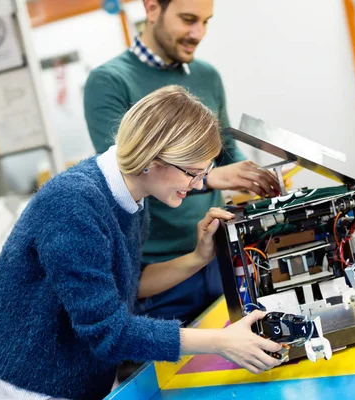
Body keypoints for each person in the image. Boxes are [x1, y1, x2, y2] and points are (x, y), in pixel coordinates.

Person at [0, 86, 282, 400]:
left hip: (79, 381)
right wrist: (220, 342)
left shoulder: (130, 197)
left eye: (205, 172)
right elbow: (108, 333)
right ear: (152, 159)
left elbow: (128, 283)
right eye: (192, 173)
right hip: (22, 386)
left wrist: (198, 257)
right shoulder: (73, 204)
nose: (199, 184)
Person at [84, 0, 280, 325]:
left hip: (216, 256)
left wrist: (251, 178)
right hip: (159, 275)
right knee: (165, 371)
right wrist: (211, 178)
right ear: (151, 9)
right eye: (188, 19)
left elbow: (226, 150)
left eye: (205, 22)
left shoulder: (207, 76)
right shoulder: (109, 81)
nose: (197, 33)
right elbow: (126, 170)